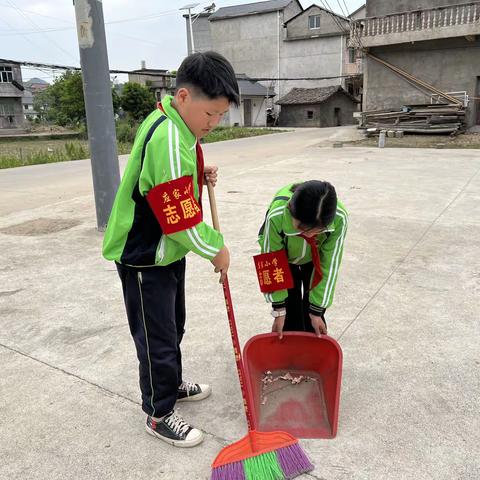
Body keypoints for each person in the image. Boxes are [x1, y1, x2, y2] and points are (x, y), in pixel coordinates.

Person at [102, 51, 239, 448]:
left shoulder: (178, 127)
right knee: (156, 337)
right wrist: (217, 249)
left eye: (220, 116)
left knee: (172, 325)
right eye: (210, 114)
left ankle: (172, 383)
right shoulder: (169, 137)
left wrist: (199, 172)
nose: (213, 124)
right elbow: (179, 220)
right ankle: (158, 413)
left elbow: (169, 181)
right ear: (183, 97)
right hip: (146, 255)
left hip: (168, 253)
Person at [257, 180, 348, 338]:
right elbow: (271, 261)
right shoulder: (277, 216)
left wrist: (317, 311)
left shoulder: (339, 219)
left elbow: (329, 264)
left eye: (317, 231)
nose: (308, 236)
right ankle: (290, 348)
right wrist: (279, 310)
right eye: (301, 228)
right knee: (290, 310)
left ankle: (311, 346)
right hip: (284, 258)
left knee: (312, 315)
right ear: (291, 210)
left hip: (315, 258)